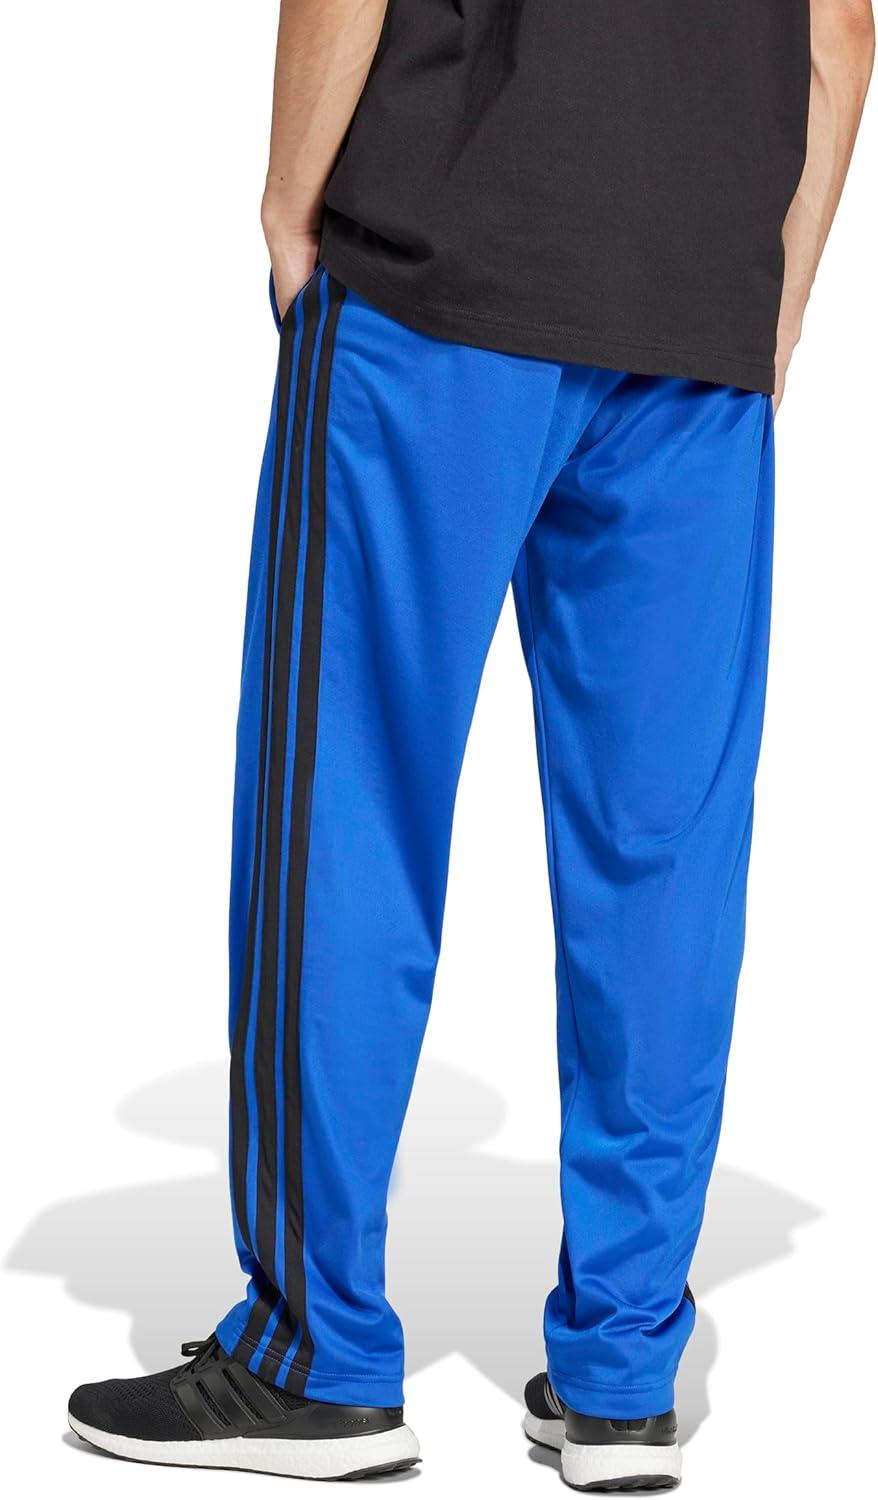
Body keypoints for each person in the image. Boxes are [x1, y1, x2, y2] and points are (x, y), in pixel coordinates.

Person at [67, 1, 874, 1489]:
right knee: (663, 852)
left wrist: (288, 204)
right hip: (695, 310)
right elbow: (837, 29)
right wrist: (774, 293)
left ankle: (313, 1358)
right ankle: (623, 1372)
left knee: (350, 805)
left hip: (442, 282)